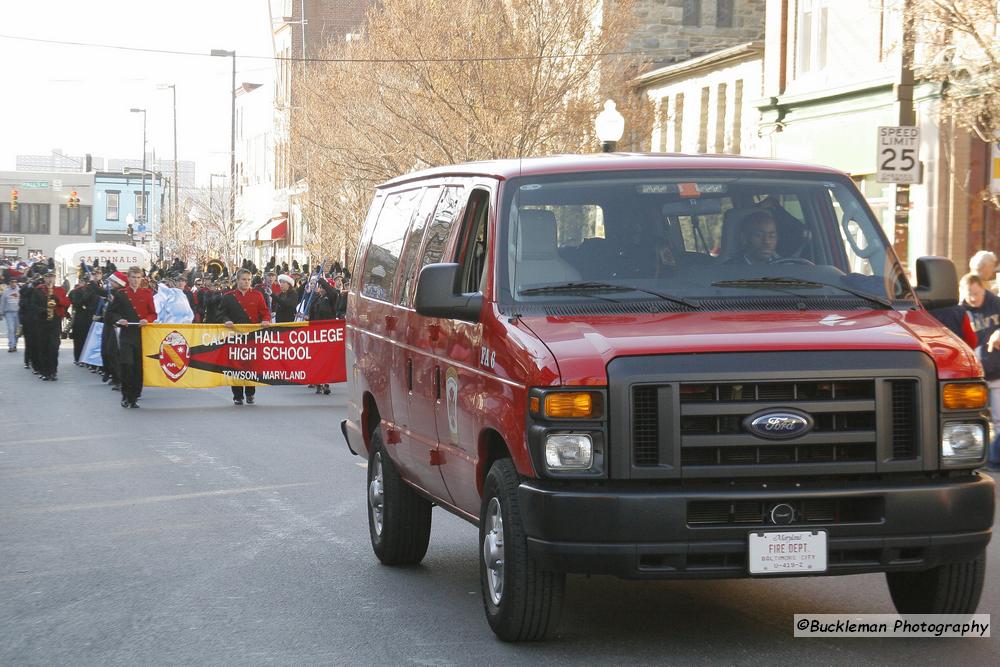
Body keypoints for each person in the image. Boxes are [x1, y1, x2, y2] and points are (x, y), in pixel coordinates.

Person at [959, 272, 1000, 471]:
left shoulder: (996, 304)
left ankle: (994, 460)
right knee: (973, 419)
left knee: (999, 420)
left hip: (997, 373)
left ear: (983, 289)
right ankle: (970, 461)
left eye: (976, 293)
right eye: (969, 294)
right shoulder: (959, 311)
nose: (973, 298)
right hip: (974, 376)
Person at [106, 267, 157, 408]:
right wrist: (120, 319)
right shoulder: (121, 294)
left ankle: (134, 396)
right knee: (126, 365)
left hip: (141, 334)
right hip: (127, 334)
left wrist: (147, 320)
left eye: (138, 277)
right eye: (133, 277)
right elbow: (110, 314)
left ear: (142, 279)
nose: (136, 280)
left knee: (138, 366)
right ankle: (126, 395)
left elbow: (153, 313)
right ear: (128, 278)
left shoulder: (147, 294)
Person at [221, 268, 272, 406]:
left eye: (249, 280)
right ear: (237, 280)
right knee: (235, 365)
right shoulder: (228, 296)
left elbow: (265, 312)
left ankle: (250, 393)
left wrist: (266, 320)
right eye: (243, 279)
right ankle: (237, 396)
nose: (246, 282)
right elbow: (221, 314)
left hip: (252, 337)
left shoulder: (257, 295)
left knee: (251, 365)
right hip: (235, 336)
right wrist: (226, 320)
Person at [34, 270, 70, 381]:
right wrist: (43, 310)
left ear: (55, 278)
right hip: (42, 321)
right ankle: (45, 371)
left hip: (55, 321)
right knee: (43, 346)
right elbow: (33, 305)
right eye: (48, 277)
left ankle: (53, 371)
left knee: (54, 346)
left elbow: (67, 302)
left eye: (52, 277)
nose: (50, 279)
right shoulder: (38, 290)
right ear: (44, 278)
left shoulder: (60, 290)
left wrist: (57, 299)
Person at [308, 278, 337, 395]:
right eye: (320, 288)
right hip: (316, 333)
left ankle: (326, 383)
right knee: (317, 359)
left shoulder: (331, 299)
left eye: (324, 288)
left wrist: (322, 281)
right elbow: (312, 313)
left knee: (326, 359)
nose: (322, 289)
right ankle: (318, 382)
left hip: (327, 333)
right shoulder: (316, 299)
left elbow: (333, 293)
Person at [0, 278, 20, 352]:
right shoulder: (5, 292)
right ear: (9, 283)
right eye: (12, 282)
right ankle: (11, 345)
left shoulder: (20, 291)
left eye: (15, 282)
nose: (13, 283)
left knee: (17, 330)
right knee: (11, 329)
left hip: (18, 313)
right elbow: (2, 303)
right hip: (9, 313)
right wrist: (1, 313)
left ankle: (15, 344)